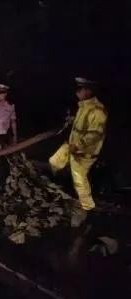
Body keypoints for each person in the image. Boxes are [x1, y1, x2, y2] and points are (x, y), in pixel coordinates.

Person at [49, 77, 107, 227]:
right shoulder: (84, 106)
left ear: (88, 91)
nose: (77, 92)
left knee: (80, 180)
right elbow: (80, 124)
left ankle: (85, 208)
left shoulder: (97, 111)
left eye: (80, 89)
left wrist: (78, 145)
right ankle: (61, 188)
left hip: (84, 153)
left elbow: (94, 135)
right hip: (72, 146)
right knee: (54, 162)